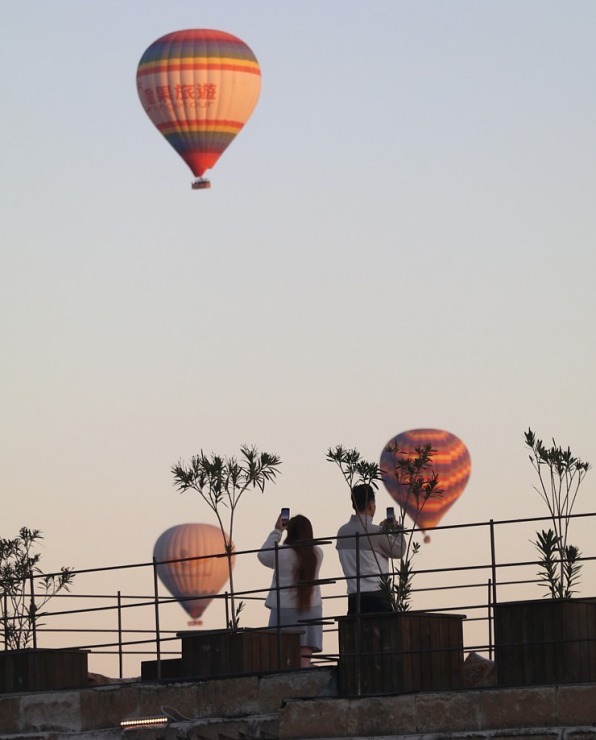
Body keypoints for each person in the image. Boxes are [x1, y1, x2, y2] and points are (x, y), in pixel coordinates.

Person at [258, 514, 323, 667]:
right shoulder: (317, 553)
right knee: (304, 658)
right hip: (311, 608)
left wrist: (277, 531)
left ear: (290, 532)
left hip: (284, 609)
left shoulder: (281, 554)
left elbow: (263, 555)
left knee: (281, 656)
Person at [336, 483, 405, 614]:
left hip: (354, 598)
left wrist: (380, 529)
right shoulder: (375, 532)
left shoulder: (342, 532)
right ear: (370, 504)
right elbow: (399, 550)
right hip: (377, 597)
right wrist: (396, 530)